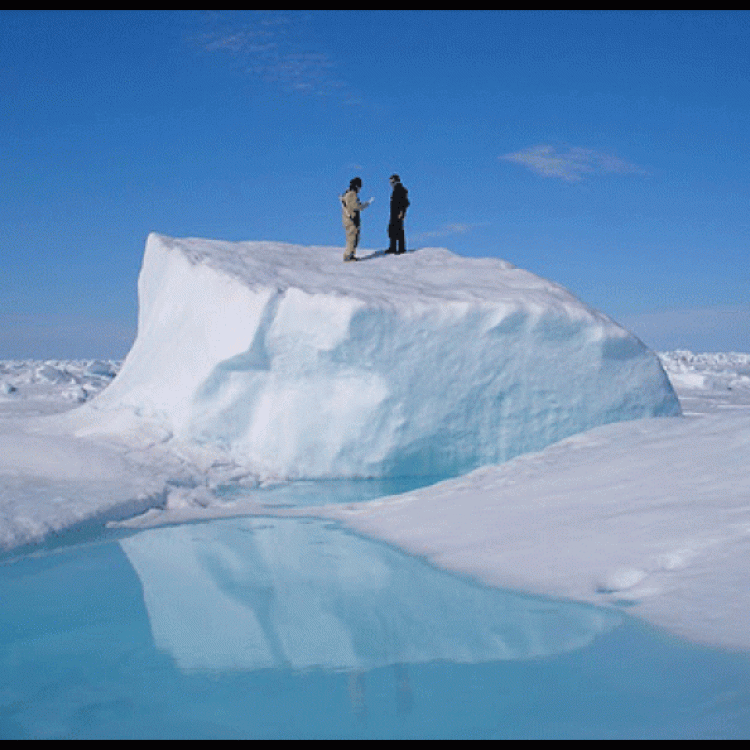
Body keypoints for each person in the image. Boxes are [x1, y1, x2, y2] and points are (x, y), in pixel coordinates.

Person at [341, 177, 372, 262]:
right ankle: (348, 256)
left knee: (354, 237)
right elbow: (356, 206)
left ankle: (351, 255)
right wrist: (365, 205)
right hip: (351, 220)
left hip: (350, 219)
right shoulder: (351, 194)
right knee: (352, 238)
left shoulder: (348, 194)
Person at [387, 174, 409, 254]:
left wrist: (402, 212)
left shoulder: (400, 190)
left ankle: (400, 249)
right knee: (392, 229)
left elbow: (405, 202)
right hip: (394, 213)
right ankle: (393, 247)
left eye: (392, 181)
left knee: (399, 230)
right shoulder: (396, 190)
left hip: (398, 213)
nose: (391, 183)